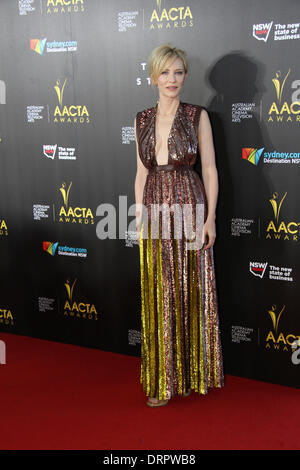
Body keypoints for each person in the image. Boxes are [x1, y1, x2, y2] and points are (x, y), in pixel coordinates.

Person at [134, 44, 224, 407]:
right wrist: (140, 216)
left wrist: (210, 217)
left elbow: (210, 169)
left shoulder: (197, 115)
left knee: (191, 288)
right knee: (161, 290)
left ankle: (190, 374)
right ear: (154, 75)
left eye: (179, 72)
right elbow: (141, 173)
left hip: (189, 202)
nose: (173, 79)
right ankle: (163, 378)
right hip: (155, 205)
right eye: (166, 72)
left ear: (185, 75)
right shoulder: (140, 119)